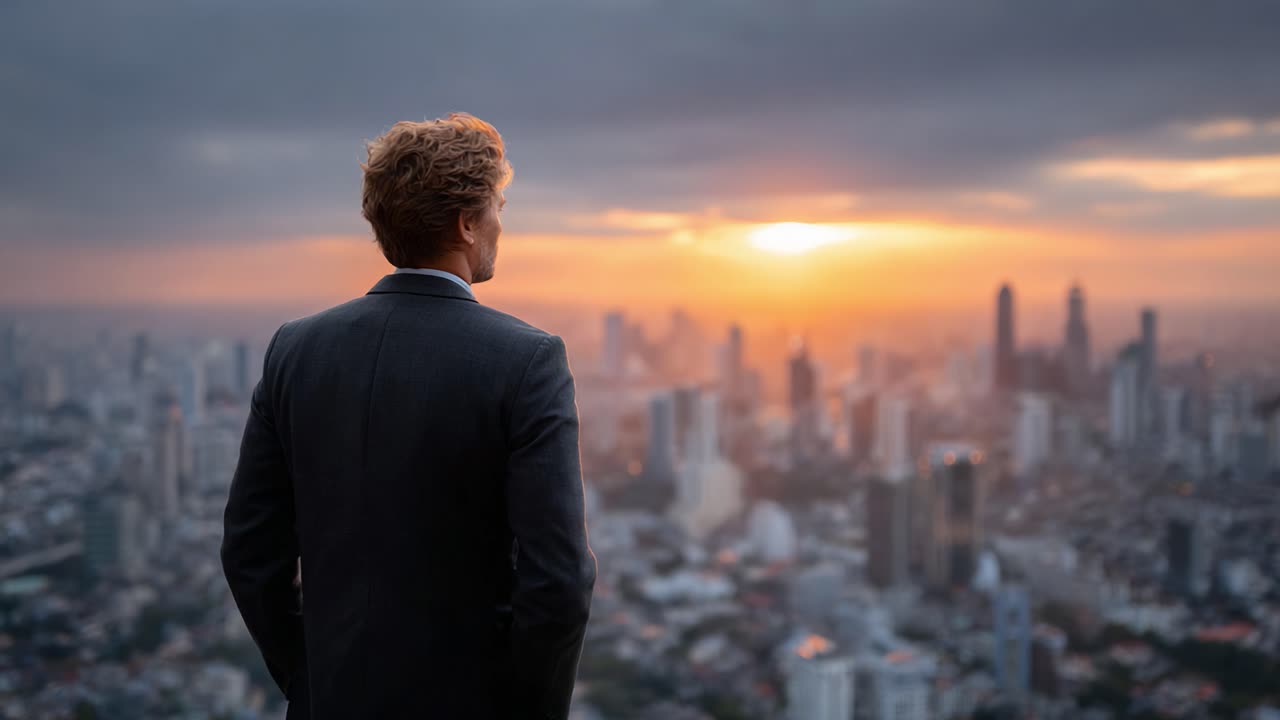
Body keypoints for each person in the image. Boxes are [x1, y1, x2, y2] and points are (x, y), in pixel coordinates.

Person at [221, 113, 596, 719]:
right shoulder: (527, 360)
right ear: (467, 223)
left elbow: (247, 552)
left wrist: (310, 678)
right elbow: (559, 579)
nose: (502, 224)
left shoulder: (295, 349)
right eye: (498, 206)